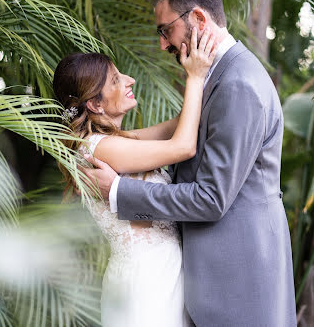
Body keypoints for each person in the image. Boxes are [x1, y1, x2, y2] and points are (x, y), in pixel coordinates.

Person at [82, 0, 297, 326]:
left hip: (240, 277)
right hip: (195, 283)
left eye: (165, 30)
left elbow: (212, 198)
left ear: (198, 19)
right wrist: (98, 144)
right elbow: (177, 133)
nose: (163, 45)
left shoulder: (237, 83)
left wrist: (120, 191)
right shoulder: (220, 77)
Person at [53, 28, 216, 327]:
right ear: (96, 105)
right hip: (146, 284)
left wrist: (205, 72)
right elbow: (183, 146)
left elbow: (182, 125)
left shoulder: (115, 142)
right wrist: (194, 77)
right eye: (116, 80)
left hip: (159, 274)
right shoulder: (101, 148)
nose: (130, 80)